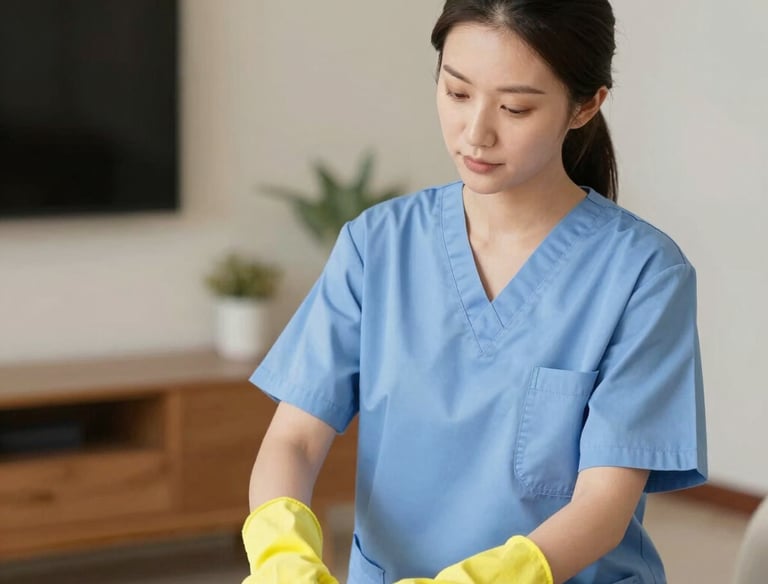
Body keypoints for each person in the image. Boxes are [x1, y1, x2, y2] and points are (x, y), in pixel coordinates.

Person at [240, 1, 708, 582]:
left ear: (585, 105)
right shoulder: (377, 245)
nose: (476, 132)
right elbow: (295, 439)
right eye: (458, 93)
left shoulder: (642, 275)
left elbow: (603, 507)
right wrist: (282, 556)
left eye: (515, 107)